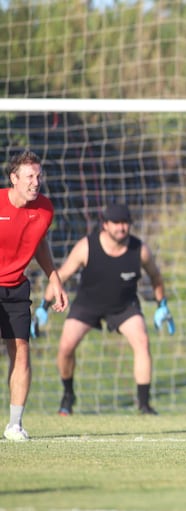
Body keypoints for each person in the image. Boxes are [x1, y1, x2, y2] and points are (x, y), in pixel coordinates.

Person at [35, 202, 175, 416]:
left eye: (125, 223)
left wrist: (162, 305)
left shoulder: (140, 250)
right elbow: (61, 276)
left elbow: (156, 277)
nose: (121, 228)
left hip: (124, 307)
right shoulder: (86, 246)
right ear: (105, 225)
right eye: (116, 223)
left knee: (142, 342)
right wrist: (43, 307)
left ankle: (144, 405)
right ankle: (68, 396)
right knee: (65, 348)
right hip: (87, 305)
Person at [1, 150, 68, 441]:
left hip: (16, 288)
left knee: (22, 352)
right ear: (13, 179)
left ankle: (14, 425)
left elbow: (38, 244)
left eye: (38, 176)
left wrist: (55, 278)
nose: (35, 182)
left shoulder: (45, 209)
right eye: (29, 176)